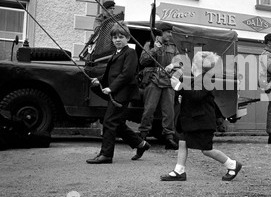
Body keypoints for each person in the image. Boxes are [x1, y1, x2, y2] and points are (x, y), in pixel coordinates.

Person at [160, 51, 242, 181]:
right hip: (193, 121)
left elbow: (197, 96)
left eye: (193, 63)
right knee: (182, 142)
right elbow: (191, 94)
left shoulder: (206, 79)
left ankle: (232, 164)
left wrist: (179, 87)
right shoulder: (198, 79)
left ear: (197, 66)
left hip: (202, 122)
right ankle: (179, 171)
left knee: (206, 150)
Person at [86, 22, 151, 164]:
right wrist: (98, 80)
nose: (117, 40)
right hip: (116, 93)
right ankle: (141, 144)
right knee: (118, 123)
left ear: (127, 38)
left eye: (121, 37)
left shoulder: (131, 53)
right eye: (115, 37)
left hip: (123, 93)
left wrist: (111, 88)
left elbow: (126, 74)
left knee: (109, 121)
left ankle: (106, 155)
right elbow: (110, 75)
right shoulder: (116, 53)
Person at [138, 22, 179, 150]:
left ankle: (169, 138)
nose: (170, 35)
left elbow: (181, 61)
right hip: (153, 80)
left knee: (169, 112)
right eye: (168, 32)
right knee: (149, 109)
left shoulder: (173, 47)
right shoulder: (149, 44)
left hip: (168, 82)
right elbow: (143, 61)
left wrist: (173, 65)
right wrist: (155, 48)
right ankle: (142, 137)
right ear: (161, 33)